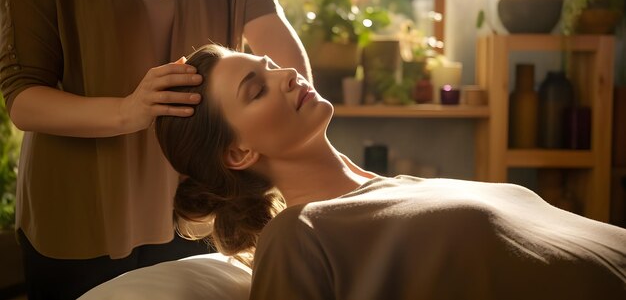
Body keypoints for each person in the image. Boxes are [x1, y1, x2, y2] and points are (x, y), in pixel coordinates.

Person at [0, 0, 310, 298]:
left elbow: (276, 39)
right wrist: (129, 111)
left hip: (205, 209)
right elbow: (24, 100)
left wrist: (300, 134)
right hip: (79, 220)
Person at [155, 44, 626, 300]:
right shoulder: (298, 235)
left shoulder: (402, 188)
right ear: (238, 154)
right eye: (256, 90)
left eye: (272, 64)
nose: (286, 76)